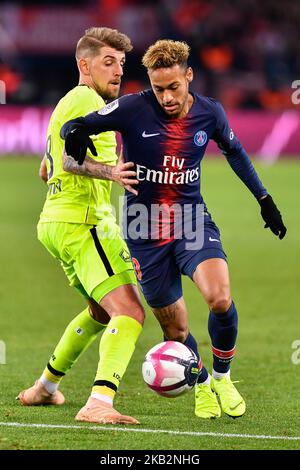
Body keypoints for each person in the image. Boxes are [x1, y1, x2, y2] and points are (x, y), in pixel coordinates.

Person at [61, 39, 287, 420]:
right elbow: (78, 124)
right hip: (143, 231)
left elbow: (236, 153)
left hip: (189, 221)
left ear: (189, 76)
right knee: (177, 329)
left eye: (173, 87)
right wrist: (74, 131)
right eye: (158, 88)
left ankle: (222, 376)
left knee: (219, 297)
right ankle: (199, 385)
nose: (166, 97)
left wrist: (264, 199)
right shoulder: (134, 107)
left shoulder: (209, 114)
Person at [17, 27, 145, 425]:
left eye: (121, 64)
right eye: (108, 62)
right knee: (129, 312)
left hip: (56, 222)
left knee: (100, 310)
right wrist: (111, 172)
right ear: (83, 65)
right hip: (85, 221)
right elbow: (72, 162)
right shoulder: (87, 100)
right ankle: (99, 403)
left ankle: (44, 388)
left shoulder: (67, 104)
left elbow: (46, 169)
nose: (118, 71)